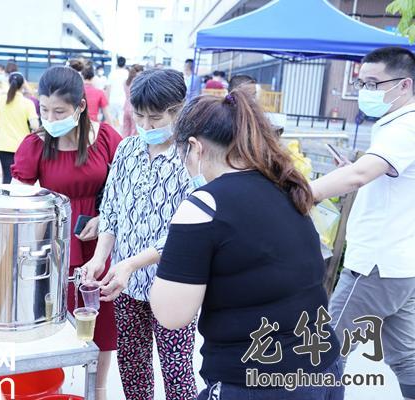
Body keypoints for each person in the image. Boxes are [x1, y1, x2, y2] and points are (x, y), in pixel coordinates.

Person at [151, 89, 343, 400]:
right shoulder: (285, 185)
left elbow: (172, 315)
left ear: (195, 148)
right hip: (323, 368)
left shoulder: (204, 205)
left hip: (256, 380)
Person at [83, 69, 196, 400]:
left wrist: (132, 263)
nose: (146, 125)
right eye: (140, 116)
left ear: (179, 110)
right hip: (126, 284)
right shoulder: (127, 149)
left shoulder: (191, 157)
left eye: (156, 118)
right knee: (132, 367)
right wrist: (100, 258)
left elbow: (188, 230)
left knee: (177, 371)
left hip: (174, 285)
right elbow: (112, 210)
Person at [11, 66, 121, 400]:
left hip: (100, 246)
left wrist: (103, 218)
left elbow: (124, 188)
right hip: (54, 245)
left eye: (59, 112)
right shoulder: (35, 144)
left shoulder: (106, 138)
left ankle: (98, 389)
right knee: (51, 319)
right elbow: (19, 200)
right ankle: (50, 385)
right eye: (44, 110)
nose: (50, 118)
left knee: (101, 321)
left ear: (80, 106)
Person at [311, 46, 415, 400]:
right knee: (406, 358)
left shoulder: (404, 127)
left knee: (325, 353)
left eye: (373, 84)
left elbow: (359, 176)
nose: (364, 92)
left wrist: (301, 193)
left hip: (375, 265)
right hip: (400, 265)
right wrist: (352, 171)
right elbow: (371, 176)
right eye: (361, 84)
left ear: (404, 85)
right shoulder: (398, 124)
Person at [0, 72, 39, 184]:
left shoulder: (1, 99)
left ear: (8, 83)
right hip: (22, 146)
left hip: (4, 145)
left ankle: (5, 195)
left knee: (7, 178)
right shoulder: (28, 103)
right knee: (22, 180)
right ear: (23, 85)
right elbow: (35, 125)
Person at [106, 56, 128, 132]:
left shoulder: (112, 73)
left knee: (112, 120)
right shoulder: (127, 73)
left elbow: (108, 88)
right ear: (125, 63)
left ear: (117, 63)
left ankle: (113, 135)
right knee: (122, 121)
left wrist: (107, 100)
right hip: (123, 100)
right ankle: (120, 136)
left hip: (112, 100)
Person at [122, 64, 144, 137]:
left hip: (126, 106)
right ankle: (131, 144)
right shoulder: (138, 82)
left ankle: (124, 142)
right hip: (134, 107)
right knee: (134, 130)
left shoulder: (126, 81)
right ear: (139, 72)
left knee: (125, 128)